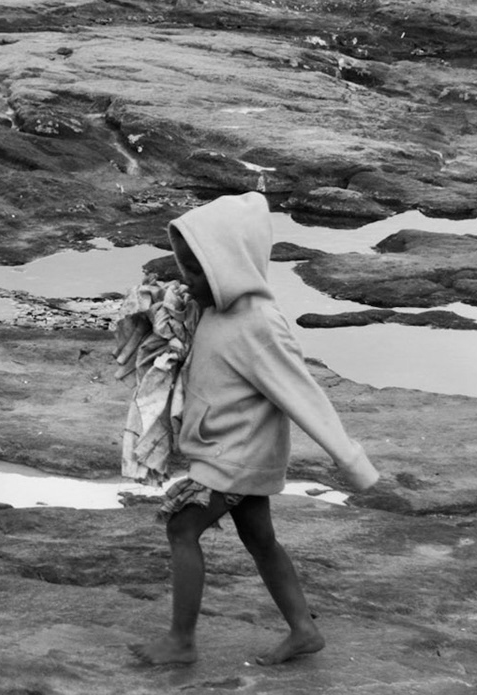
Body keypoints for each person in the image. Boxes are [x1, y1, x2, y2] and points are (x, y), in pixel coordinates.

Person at [132, 192, 380, 667]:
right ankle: (304, 629)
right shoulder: (213, 309)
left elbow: (301, 392)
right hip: (230, 450)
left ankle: (181, 641)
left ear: (232, 266)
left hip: (235, 455)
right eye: (185, 267)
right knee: (260, 540)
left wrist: (350, 460)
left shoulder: (259, 325)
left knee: (182, 527)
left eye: (198, 270)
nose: (189, 278)